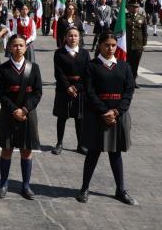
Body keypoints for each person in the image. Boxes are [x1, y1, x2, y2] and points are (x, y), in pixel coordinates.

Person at [77, 31, 136, 205]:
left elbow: (129, 90)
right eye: (107, 45)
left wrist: (117, 112)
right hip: (97, 115)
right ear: (100, 45)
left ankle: (120, 189)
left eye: (113, 45)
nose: (110, 48)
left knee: (115, 153)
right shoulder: (92, 66)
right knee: (93, 153)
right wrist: (104, 111)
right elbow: (89, 92)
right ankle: (84, 188)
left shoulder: (124, 66)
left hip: (118, 115)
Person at [0, 35, 42, 200]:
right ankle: (3, 183)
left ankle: (26, 185)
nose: (18, 48)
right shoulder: (3, 69)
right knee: (6, 150)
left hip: (28, 115)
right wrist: (14, 110)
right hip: (9, 114)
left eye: (21, 45)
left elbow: (37, 93)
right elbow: (0, 94)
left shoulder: (33, 68)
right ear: (9, 47)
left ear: (26, 47)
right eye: (15, 45)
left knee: (26, 150)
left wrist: (25, 110)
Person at [52, 27, 90, 155]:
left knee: (80, 118)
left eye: (75, 36)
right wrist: (68, 86)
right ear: (65, 38)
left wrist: (77, 87)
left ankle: (81, 144)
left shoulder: (85, 53)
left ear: (79, 38)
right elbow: (59, 73)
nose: (73, 38)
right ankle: (59, 143)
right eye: (70, 36)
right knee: (62, 117)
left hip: (80, 90)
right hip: (64, 89)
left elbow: (87, 74)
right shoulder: (59, 53)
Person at [125, 0, 147, 89]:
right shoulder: (125, 17)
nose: (135, 8)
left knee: (135, 64)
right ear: (129, 8)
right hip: (127, 45)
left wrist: (144, 44)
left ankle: (133, 81)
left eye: (137, 7)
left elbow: (144, 32)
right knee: (127, 64)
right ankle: (126, 81)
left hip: (138, 46)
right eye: (133, 7)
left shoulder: (142, 18)